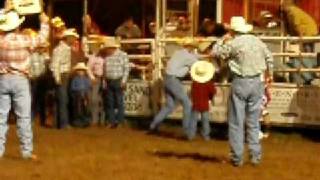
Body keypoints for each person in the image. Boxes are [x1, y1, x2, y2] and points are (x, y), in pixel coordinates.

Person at [212, 16, 274, 167]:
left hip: (240, 82)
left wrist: (222, 39)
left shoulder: (234, 43)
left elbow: (215, 53)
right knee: (253, 122)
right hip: (257, 82)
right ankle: (255, 156)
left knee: (236, 122)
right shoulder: (257, 41)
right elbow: (269, 57)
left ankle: (237, 157)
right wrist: (270, 75)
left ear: (233, 30)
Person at [0, 10, 49, 160]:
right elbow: (41, 38)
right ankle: (26, 151)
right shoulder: (25, 40)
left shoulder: (1, 42)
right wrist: (44, 22)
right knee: (24, 117)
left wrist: (3, 11)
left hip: (3, 79)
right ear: (17, 27)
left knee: (1, 117)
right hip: (20, 80)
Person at [149, 38, 198, 136]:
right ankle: (186, 131)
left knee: (169, 106)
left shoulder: (177, 53)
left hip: (167, 79)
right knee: (187, 103)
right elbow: (198, 63)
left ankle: (153, 125)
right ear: (191, 47)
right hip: (174, 80)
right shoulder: (189, 57)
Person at [50, 29, 79, 129]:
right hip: (62, 75)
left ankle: (59, 123)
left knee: (62, 99)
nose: (74, 39)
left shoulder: (64, 48)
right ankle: (63, 123)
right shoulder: (60, 49)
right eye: (72, 37)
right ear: (67, 38)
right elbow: (56, 64)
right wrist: (57, 77)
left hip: (64, 75)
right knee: (63, 99)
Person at [103, 37, 130, 128]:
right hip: (109, 80)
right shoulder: (107, 56)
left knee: (119, 102)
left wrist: (124, 80)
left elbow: (126, 68)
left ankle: (120, 122)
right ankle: (111, 121)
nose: (107, 50)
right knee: (110, 102)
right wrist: (105, 81)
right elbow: (105, 69)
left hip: (118, 79)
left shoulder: (122, 55)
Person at [188, 60, 216, 141]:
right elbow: (213, 92)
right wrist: (210, 97)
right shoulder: (208, 83)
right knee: (205, 121)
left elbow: (192, 93)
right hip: (204, 104)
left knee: (193, 120)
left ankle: (191, 135)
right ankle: (206, 136)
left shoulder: (195, 83)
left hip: (196, 104)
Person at [87, 41, 105, 125]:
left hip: (104, 79)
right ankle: (94, 119)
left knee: (102, 99)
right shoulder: (92, 57)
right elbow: (88, 68)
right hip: (96, 78)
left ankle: (102, 119)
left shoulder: (105, 58)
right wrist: (92, 78)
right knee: (94, 99)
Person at [70, 62, 92, 128]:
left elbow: (89, 86)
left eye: (82, 70)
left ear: (84, 71)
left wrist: (86, 93)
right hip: (78, 95)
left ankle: (85, 121)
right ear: (77, 71)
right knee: (78, 109)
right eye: (79, 70)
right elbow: (72, 87)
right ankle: (78, 122)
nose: (80, 72)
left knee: (86, 109)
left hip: (85, 95)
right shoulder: (75, 79)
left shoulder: (86, 79)